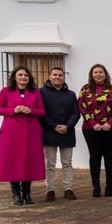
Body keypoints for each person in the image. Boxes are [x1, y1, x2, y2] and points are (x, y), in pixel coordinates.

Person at [0, 66, 45, 206]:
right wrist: (13, 110)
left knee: (29, 160)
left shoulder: (35, 92)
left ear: (29, 78)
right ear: (14, 77)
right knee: (13, 160)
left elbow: (41, 112)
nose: (23, 77)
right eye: (20, 75)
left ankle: (27, 193)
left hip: (31, 130)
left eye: (26, 75)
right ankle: (16, 193)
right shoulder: (6, 91)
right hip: (12, 132)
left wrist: (30, 110)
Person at [40, 67, 80, 202]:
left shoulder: (71, 94)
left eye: (60, 75)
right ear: (50, 76)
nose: (58, 77)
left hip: (67, 132)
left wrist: (67, 126)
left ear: (64, 77)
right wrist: (54, 126)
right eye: (55, 75)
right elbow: (41, 113)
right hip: (49, 131)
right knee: (50, 163)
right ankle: (49, 190)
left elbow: (76, 113)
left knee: (67, 162)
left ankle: (68, 188)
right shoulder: (41, 93)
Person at [78, 63, 112, 198]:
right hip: (91, 129)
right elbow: (82, 108)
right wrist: (93, 123)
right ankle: (96, 187)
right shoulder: (84, 89)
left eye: (101, 72)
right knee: (94, 157)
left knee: (109, 157)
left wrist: (110, 122)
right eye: (95, 72)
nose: (98, 74)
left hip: (110, 129)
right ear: (91, 75)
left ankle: (109, 186)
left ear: (105, 74)